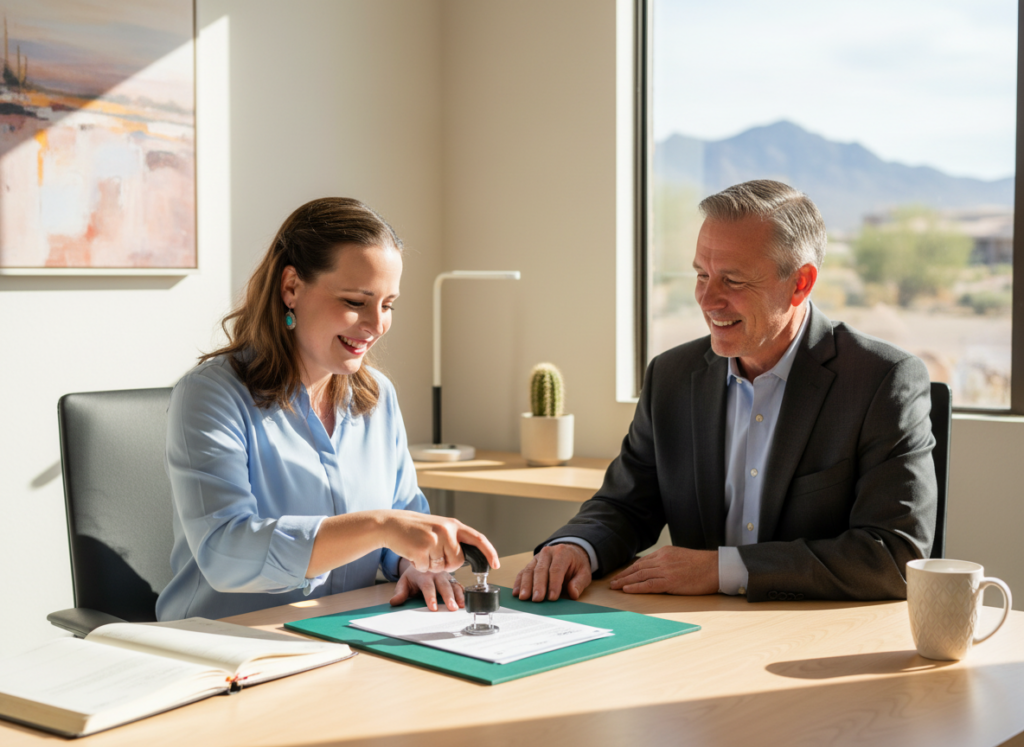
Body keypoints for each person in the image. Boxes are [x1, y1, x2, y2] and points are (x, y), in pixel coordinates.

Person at [514, 180, 937, 604]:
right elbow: (626, 505)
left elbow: (895, 554)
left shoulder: (883, 381)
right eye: (701, 275)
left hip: (815, 643)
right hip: (696, 631)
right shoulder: (671, 376)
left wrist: (722, 569)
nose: (708, 300)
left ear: (800, 284)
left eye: (732, 281)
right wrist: (575, 546)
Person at [156, 197, 498, 621]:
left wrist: (415, 564)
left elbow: (405, 512)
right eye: (356, 301)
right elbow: (226, 554)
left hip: (339, 637)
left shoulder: (377, 396)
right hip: (224, 646)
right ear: (292, 288)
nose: (376, 325)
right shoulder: (210, 395)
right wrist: (380, 527)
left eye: (388, 304)